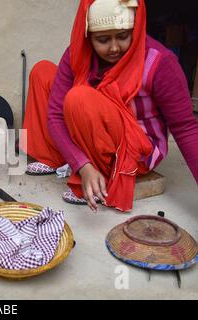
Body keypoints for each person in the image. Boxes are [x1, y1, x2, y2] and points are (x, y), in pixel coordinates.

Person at [20, 0, 198, 213]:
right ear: (87, 35)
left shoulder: (159, 62)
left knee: (79, 98)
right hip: (95, 120)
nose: (114, 48)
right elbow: (56, 115)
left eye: (123, 36)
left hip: (135, 148)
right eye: (103, 40)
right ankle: (55, 157)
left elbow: (186, 128)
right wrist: (81, 165)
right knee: (43, 72)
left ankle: (101, 176)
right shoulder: (77, 53)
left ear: (136, 28)